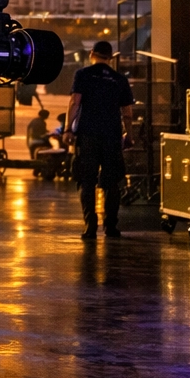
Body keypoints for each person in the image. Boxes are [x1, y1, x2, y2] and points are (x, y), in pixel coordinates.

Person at [64, 40, 135, 239]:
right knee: (112, 183)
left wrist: (68, 129)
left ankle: (90, 226)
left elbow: (74, 102)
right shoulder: (119, 79)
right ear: (110, 58)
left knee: (86, 181)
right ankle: (111, 226)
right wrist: (128, 135)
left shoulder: (83, 75)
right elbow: (127, 113)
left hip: (87, 135)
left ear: (92, 54)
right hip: (112, 136)